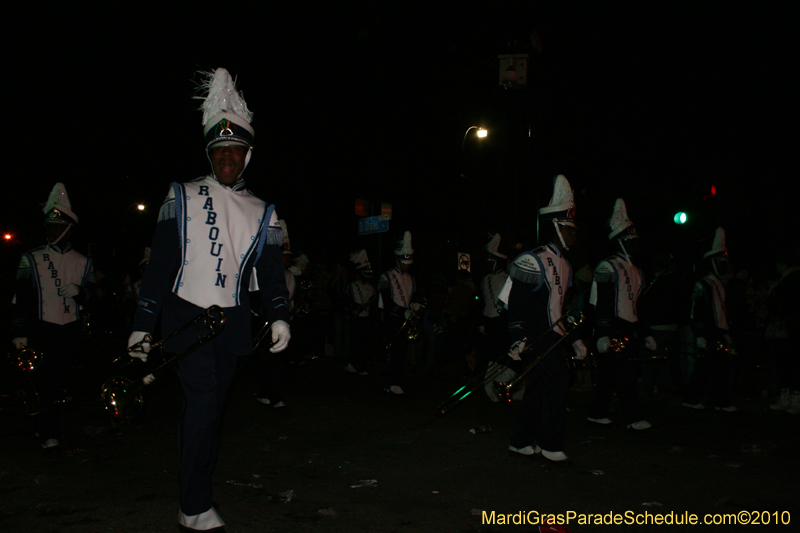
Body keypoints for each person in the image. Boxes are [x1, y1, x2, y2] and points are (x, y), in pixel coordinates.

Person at [127, 68, 291, 531]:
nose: (227, 156)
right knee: (201, 404)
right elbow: (160, 267)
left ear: (247, 155)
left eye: (235, 149)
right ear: (209, 153)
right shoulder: (181, 194)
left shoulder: (263, 211)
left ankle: (195, 484)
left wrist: (280, 316)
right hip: (185, 319)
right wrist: (142, 325)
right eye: (219, 149)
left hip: (232, 326)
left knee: (212, 412)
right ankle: (194, 504)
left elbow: (270, 274)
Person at [499, 175, 587, 464]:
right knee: (558, 385)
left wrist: (575, 339)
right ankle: (550, 444)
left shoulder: (566, 264)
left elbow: (560, 310)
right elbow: (516, 306)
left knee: (537, 390)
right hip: (536, 337)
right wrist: (517, 339)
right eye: (570, 229)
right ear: (556, 227)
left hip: (554, 338)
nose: (574, 234)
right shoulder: (531, 259)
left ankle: (521, 441)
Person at [11, 183, 95, 450]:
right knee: (45, 381)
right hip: (42, 327)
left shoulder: (83, 261)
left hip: (70, 328)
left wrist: (80, 292)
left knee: (64, 380)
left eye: (57, 227)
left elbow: (94, 298)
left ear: (69, 229)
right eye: (49, 227)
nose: (52, 232)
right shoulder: (31, 258)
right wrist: (19, 333)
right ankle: (49, 432)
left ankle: (51, 423)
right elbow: (20, 298)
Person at [586, 199, 655, 430]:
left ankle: (597, 412)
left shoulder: (637, 270)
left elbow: (639, 305)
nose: (635, 245)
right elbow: (602, 303)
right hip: (613, 326)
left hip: (628, 327)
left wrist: (645, 333)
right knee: (624, 375)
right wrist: (603, 333)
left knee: (613, 375)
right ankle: (633, 417)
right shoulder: (607, 266)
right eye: (630, 241)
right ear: (620, 243)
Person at [682, 227, 737, 412]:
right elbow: (697, 311)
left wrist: (726, 331)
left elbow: (722, 311)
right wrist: (700, 334)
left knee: (712, 368)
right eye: (720, 263)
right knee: (710, 368)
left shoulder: (719, 284)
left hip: (717, 332)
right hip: (708, 332)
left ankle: (707, 400)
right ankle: (714, 401)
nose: (724, 267)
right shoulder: (704, 283)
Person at [378, 231, 421, 394]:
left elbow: (412, 296)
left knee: (402, 352)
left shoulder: (411, 278)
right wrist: (403, 311)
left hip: (406, 319)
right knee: (394, 353)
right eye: (404, 263)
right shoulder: (386, 276)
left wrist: (414, 305)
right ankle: (391, 383)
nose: (406, 266)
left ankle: (396, 381)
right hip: (392, 319)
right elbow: (387, 302)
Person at [766, 248, 800, 414]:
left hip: (791, 327)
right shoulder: (787, 279)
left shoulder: (791, 280)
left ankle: (794, 398)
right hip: (788, 327)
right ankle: (788, 397)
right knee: (786, 362)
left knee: (791, 362)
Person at [344, 249, 376, 375]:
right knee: (355, 343)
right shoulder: (352, 285)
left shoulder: (370, 287)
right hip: (356, 318)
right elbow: (346, 301)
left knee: (364, 343)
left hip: (366, 318)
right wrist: (353, 309)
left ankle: (362, 366)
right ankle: (353, 364)